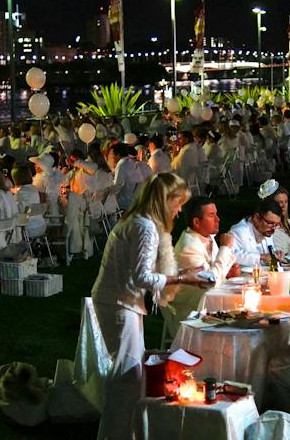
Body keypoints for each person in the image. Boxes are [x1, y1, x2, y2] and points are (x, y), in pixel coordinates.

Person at [90, 173, 204, 440]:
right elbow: (142, 276)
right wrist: (182, 278)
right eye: (178, 204)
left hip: (121, 301)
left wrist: (184, 272)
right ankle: (113, 434)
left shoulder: (139, 221)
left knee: (129, 376)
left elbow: (140, 269)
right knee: (126, 379)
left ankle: (123, 431)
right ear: (166, 201)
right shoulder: (144, 227)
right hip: (119, 304)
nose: (179, 211)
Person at [166, 196, 238, 334]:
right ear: (197, 222)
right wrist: (225, 248)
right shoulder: (189, 247)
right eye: (212, 215)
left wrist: (227, 272)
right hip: (193, 312)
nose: (218, 219)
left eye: (216, 214)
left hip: (209, 302)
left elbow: (214, 272)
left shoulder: (206, 236)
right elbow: (210, 280)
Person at [229, 199, 283, 266]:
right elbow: (229, 256)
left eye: (276, 224)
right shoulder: (238, 232)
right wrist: (261, 257)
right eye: (270, 223)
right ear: (256, 218)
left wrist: (275, 256)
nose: (274, 228)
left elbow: (267, 258)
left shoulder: (267, 230)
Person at [259, 181, 290, 258]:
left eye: (286, 202)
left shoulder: (289, 223)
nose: (284, 205)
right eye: (280, 202)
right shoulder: (268, 228)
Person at [11, 164, 47, 239]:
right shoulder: (34, 189)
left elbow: (19, 211)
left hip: (29, 228)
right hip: (41, 225)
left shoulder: (21, 192)